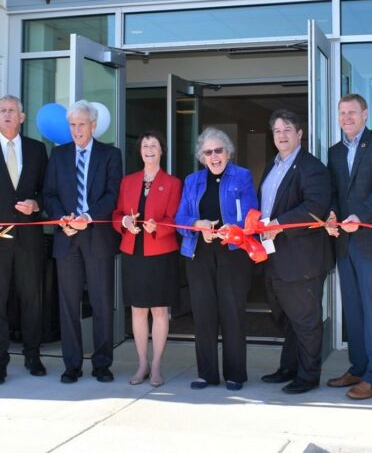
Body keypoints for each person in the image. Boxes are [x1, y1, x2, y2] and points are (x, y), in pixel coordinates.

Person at [43, 100, 122, 384]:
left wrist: (87, 217)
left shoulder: (111, 155)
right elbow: (49, 194)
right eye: (72, 125)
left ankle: (102, 364)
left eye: (81, 124)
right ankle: (72, 365)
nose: (76, 130)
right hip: (67, 239)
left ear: (93, 125)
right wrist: (62, 218)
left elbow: (113, 195)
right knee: (68, 305)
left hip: (97, 237)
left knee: (102, 303)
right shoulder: (59, 155)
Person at [326, 93, 372, 400]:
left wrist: (360, 215)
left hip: (371, 241)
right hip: (344, 243)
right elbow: (333, 190)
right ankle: (357, 367)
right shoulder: (334, 152)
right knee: (353, 311)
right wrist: (331, 213)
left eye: (352, 112)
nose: (347, 118)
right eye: (342, 113)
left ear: (365, 114)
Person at [175, 127, 257, 391]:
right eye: (208, 152)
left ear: (228, 152)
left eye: (218, 150)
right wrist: (199, 224)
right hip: (199, 253)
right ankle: (207, 374)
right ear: (202, 156)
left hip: (233, 253)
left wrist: (228, 229)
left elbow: (251, 216)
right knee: (203, 314)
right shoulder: (192, 181)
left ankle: (235, 374)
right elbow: (180, 220)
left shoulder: (242, 176)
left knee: (232, 313)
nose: (214, 156)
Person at [259, 109, 334, 394]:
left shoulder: (312, 167)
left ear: (300, 134)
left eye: (288, 129)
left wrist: (277, 224)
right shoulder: (272, 166)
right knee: (286, 317)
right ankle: (288, 368)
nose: (282, 135)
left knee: (306, 320)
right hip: (274, 256)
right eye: (277, 131)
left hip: (302, 258)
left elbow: (314, 208)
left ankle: (308, 375)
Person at [113, 131, 181, 387]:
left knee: (159, 309)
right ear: (140, 151)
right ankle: (141, 363)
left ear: (161, 150)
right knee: (139, 309)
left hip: (161, 252)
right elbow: (116, 213)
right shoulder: (128, 181)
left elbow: (176, 219)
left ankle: (156, 366)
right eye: (145, 145)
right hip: (134, 252)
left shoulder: (173, 183)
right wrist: (124, 222)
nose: (149, 150)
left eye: (154, 145)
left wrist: (158, 227)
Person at [0, 95, 48, 383]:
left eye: (11, 110)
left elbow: (48, 190)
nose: (6, 114)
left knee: (32, 299)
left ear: (22, 116)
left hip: (29, 237)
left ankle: (33, 356)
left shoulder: (37, 149)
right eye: (2, 110)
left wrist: (36, 204)